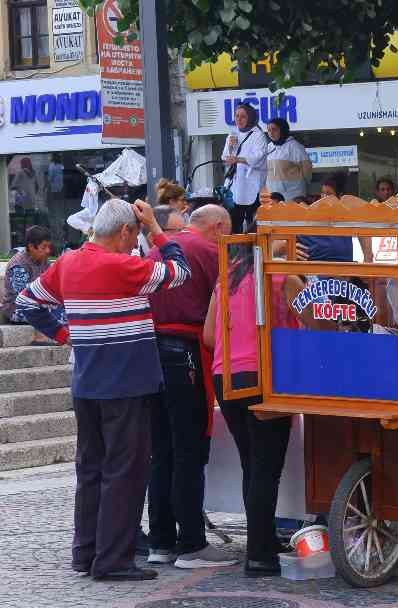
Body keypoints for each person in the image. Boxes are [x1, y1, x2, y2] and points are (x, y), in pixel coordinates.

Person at [14, 199, 191, 581]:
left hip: (88, 384)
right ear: (126, 231)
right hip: (126, 384)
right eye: (134, 235)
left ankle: (86, 552)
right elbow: (181, 272)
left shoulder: (68, 263)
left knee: (91, 470)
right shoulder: (123, 265)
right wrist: (157, 232)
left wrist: (65, 335)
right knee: (125, 471)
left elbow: (26, 300)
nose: (134, 243)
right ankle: (113, 560)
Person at [144, 203, 234, 570]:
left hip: (151, 352)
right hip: (186, 353)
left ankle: (161, 540)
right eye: (228, 232)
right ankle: (192, 543)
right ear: (216, 227)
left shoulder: (159, 249)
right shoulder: (210, 251)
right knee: (188, 450)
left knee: (161, 450)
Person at [204, 245, 302, 575]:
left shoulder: (226, 276)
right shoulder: (282, 276)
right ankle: (260, 554)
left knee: (252, 462)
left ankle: (263, 540)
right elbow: (320, 324)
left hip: (226, 376)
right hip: (265, 376)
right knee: (265, 467)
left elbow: (207, 335)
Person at [223, 103, 267, 232]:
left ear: (250, 118)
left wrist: (239, 159)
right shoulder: (233, 133)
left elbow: (258, 158)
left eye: (243, 117)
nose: (239, 119)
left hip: (251, 184)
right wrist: (230, 147)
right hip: (234, 185)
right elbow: (225, 157)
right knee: (234, 222)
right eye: (237, 116)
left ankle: (251, 251)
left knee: (252, 224)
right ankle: (235, 250)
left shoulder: (258, 135)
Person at [3, 225, 53, 324]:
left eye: (49, 246)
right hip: (17, 309)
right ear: (31, 246)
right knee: (56, 317)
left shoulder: (43, 260)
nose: (48, 251)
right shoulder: (18, 265)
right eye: (44, 247)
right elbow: (23, 297)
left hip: (39, 305)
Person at [263, 118, 313, 201]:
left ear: (282, 130)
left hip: (293, 195)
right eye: (268, 130)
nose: (271, 133)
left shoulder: (295, 147)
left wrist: (303, 187)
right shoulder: (268, 147)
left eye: (274, 129)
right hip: (274, 197)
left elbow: (307, 170)